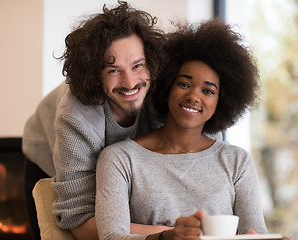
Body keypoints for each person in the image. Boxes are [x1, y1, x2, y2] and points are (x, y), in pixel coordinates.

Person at [95, 18, 268, 240]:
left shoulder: (237, 161)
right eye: (184, 84)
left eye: (208, 91)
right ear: (166, 87)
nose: (194, 96)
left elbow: (255, 234)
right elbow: (110, 237)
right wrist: (166, 237)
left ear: (221, 103)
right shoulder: (119, 159)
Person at [22, 1, 171, 240]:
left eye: (137, 66)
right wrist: (170, 235)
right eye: (113, 70)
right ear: (94, 74)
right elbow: (79, 221)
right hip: (44, 151)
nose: (130, 81)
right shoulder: (75, 116)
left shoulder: (168, 93)